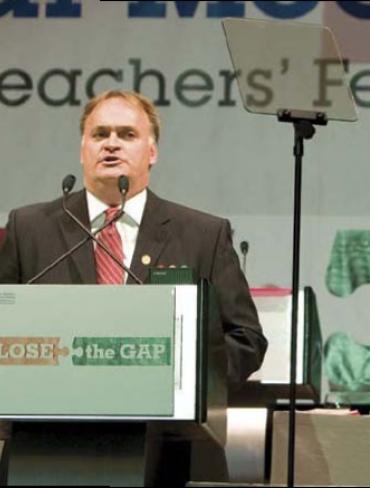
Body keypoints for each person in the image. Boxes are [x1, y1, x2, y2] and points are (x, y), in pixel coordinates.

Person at [0, 90, 267, 486]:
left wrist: (183, 378)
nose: (111, 143)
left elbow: (246, 340)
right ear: (82, 149)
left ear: (152, 152)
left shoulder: (202, 234)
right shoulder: (30, 227)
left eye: (126, 134)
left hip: (173, 455)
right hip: (49, 449)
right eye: (99, 133)